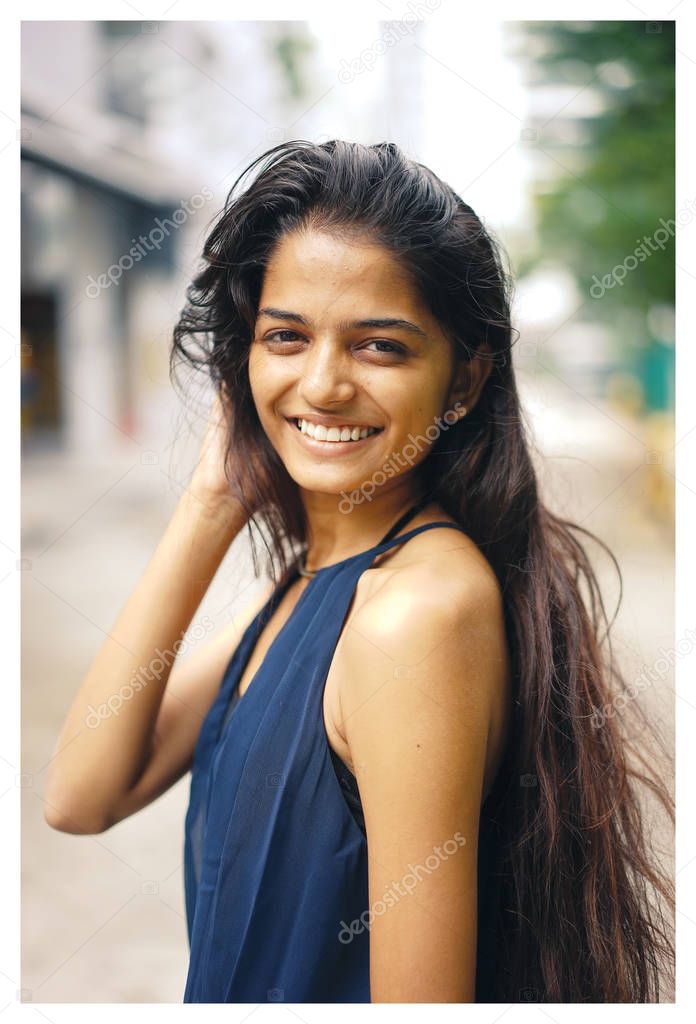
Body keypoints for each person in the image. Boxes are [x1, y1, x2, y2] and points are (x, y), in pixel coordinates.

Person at [45, 139, 674, 1003]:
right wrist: (210, 504)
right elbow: (81, 795)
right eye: (285, 337)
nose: (324, 384)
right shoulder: (307, 584)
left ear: (464, 379)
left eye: (379, 346)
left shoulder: (415, 612)